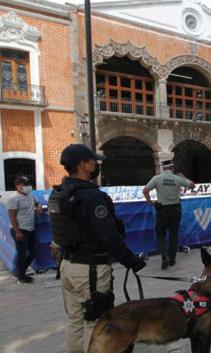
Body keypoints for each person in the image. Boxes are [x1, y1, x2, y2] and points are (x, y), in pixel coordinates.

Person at [53, 144, 146, 353]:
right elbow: (109, 236)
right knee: (94, 323)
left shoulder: (63, 192)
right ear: (83, 165)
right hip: (90, 270)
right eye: (93, 161)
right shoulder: (92, 197)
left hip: (68, 266)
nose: (96, 165)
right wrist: (132, 261)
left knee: (75, 320)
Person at [143, 160, 195, 269]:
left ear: (163, 168)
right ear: (172, 168)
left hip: (163, 210)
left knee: (160, 235)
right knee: (173, 235)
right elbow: (192, 186)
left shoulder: (157, 178)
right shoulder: (178, 178)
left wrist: (149, 202)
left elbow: (145, 190)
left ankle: (165, 256)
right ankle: (172, 260)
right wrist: (184, 176)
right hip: (176, 210)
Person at [6, 175, 43, 284]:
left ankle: (20, 271)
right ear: (18, 186)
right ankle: (21, 276)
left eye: (29, 184)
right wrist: (17, 232)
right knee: (22, 253)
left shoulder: (30, 195)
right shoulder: (13, 198)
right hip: (20, 230)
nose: (28, 187)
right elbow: (12, 216)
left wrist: (39, 207)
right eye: (25, 185)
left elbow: (37, 203)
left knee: (34, 251)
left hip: (30, 229)